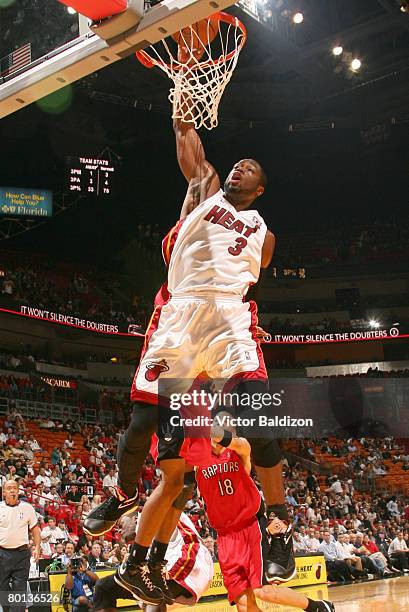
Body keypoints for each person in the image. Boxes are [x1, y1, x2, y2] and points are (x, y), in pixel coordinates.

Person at [85, 101, 294, 599]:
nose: (240, 168)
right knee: (142, 426)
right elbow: (187, 140)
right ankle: (122, 493)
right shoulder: (205, 189)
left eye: (251, 169)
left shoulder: (266, 234)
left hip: (227, 319)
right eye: (238, 164)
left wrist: (253, 323)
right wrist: (185, 96)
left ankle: (281, 524)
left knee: (259, 420)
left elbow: (251, 282)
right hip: (180, 315)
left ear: (261, 188)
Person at [191, 417, 334, 612]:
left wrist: (198, 420)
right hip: (225, 536)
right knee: (243, 603)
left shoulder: (240, 448)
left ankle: (317, 607)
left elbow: (231, 440)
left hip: (250, 527)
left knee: (264, 591)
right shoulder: (197, 458)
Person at [94, 509, 213, 611]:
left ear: (135, 519)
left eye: (121, 525)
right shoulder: (141, 542)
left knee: (152, 594)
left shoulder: (148, 513)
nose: (119, 531)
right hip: (172, 563)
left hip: (190, 555)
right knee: (104, 587)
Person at [0, 480, 41, 612]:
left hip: (21, 554)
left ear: (18, 491)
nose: (12, 490)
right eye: (9, 488)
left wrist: (37, 547)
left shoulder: (28, 508)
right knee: (2, 587)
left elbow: (35, 529)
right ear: (4, 492)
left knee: (20, 588)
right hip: (2, 554)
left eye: (14, 488)